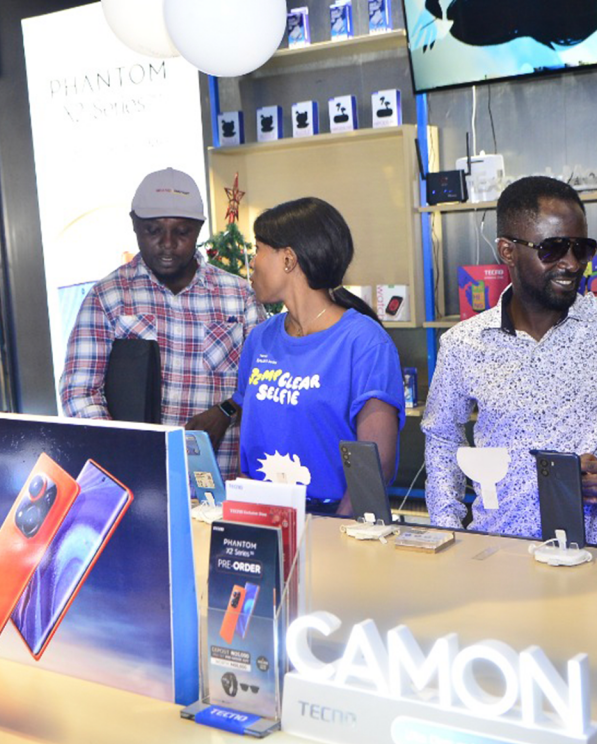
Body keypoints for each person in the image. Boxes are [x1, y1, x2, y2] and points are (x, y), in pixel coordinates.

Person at [59, 167, 264, 480]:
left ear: (199, 229)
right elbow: (79, 393)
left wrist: (226, 411)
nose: (167, 243)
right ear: (134, 225)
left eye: (181, 232)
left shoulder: (239, 297)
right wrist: (127, 453)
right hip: (142, 481)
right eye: (153, 231)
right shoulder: (108, 298)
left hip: (226, 482)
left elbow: (263, 383)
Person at [422, 175, 597, 540]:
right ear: (507, 251)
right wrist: (447, 532)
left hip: (589, 554)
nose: (571, 264)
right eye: (553, 249)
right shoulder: (464, 344)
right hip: (499, 550)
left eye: (581, 249)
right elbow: (442, 439)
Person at [233, 197, 406, 514]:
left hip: (334, 520)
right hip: (262, 518)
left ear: (288, 259)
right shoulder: (260, 340)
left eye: (258, 249)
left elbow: (375, 467)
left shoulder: (365, 343)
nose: (252, 263)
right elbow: (250, 448)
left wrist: (333, 531)